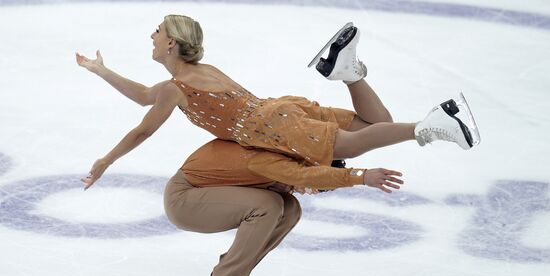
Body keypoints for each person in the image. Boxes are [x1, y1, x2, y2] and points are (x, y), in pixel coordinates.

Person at [75, 16, 480, 190]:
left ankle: (431, 125)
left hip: (270, 127)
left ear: (171, 43)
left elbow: (142, 125)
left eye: (157, 31)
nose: (151, 36)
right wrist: (101, 71)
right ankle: (348, 71)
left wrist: (105, 160)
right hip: (279, 110)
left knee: (357, 143)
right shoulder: (199, 71)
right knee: (375, 122)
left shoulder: (175, 87)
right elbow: (143, 96)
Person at [163, 138, 403, 276]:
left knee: (289, 208)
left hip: (203, 193)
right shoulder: (275, 163)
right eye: (315, 185)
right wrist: (361, 176)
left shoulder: (287, 156)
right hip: (185, 199)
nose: (311, 190)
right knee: (267, 205)